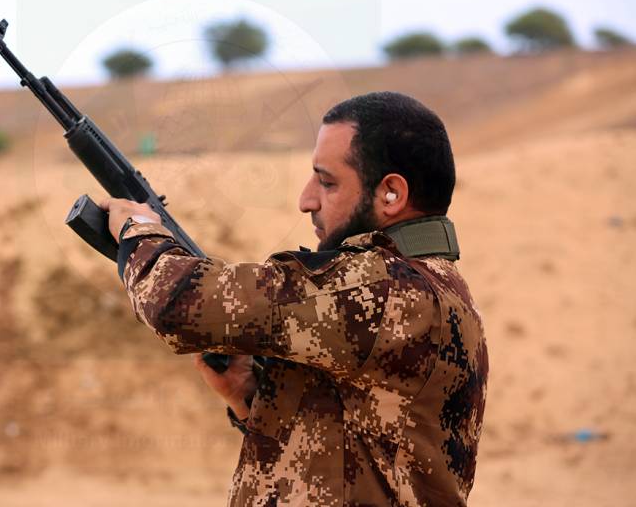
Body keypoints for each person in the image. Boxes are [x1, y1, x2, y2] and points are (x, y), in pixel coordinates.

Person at [99, 91, 488, 507]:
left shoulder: (383, 288)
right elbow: (358, 450)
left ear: (391, 193)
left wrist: (138, 229)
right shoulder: (429, 290)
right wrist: (252, 396)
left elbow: (174, 303)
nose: (307, 200)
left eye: (327, 182)